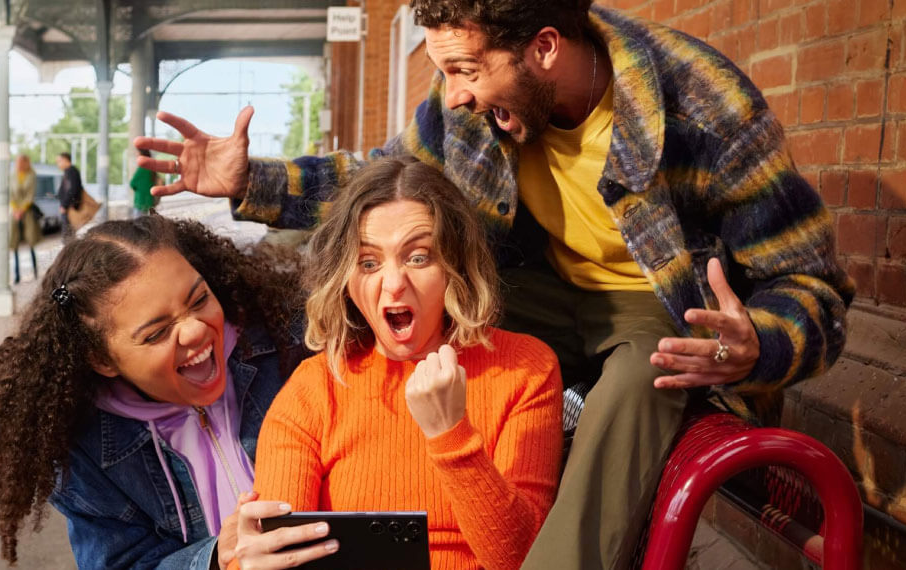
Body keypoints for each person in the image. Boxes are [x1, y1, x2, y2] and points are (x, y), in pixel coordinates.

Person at [134, 1, 854, 567]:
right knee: (397, 278)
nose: (451, 97)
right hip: (533, 285)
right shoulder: (475, 108)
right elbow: (384, 186)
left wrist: (756, 345)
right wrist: (250, 181)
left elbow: (812, 285)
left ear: (544, 47)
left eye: (465, 72)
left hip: (654, 304)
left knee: (649, 374)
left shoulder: (706, 105)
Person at [230, 157, 563, 570]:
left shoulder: (525, 369)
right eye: (369, 262)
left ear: (455, 266)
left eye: (418, 257)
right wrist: (251, 561)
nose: (393, 283)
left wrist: (451, 436)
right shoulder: (313, 389)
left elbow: (521, 558)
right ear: (346, 280)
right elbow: (283, 554)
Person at [0, 215, 309, 568]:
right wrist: (217, 557)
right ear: (102, 359)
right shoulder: (85, 455)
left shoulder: (289, 348)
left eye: (198, 300)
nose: (195, 330)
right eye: (156, 333)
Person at [9, 154, 43, 283]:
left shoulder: (31, 175)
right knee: (15, 242)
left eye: (20, 162)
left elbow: (30, 195)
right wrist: (15, 210)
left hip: (27, 212)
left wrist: (22, 210)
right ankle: (17, 275)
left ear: (25, 163)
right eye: (17, 162)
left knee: (31, 242)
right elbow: (10, 194)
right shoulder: (12, 176)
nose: (18, 164)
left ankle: (35, 271)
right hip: (14, 212)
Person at [57, 152, 84, 241]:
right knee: (68, 234)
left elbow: (73, 189)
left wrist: (64, 205)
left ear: (65, 160)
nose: (58, 164)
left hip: (70, 207)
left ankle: (69, 252)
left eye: (59, 161)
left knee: (68, 235)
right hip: (69, 206)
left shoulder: (71, 171)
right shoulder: (68, 171)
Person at [131, 149, 160, 218]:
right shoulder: (152, 169)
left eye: (138, 155)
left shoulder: (142, 169)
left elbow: (132, 183)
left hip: (140, 201)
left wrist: (138, 189)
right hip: (150, 201)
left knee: (138, 225)